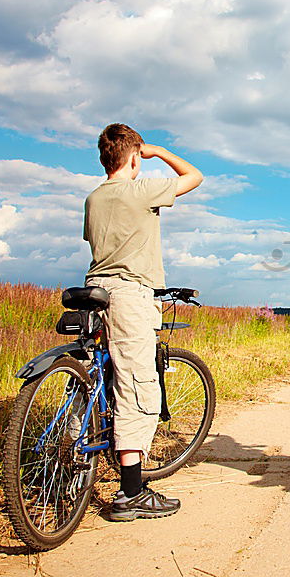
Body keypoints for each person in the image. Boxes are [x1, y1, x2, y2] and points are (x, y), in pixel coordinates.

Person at [83, 123, 203, 521]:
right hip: (128, 294)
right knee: (137, 387)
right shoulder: (138, 189)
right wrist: (159, 150)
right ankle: (131, 492)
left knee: (100, 376)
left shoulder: (93, 198)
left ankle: (78, 445)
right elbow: (194, 177)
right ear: (133, 157)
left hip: (93, 290)